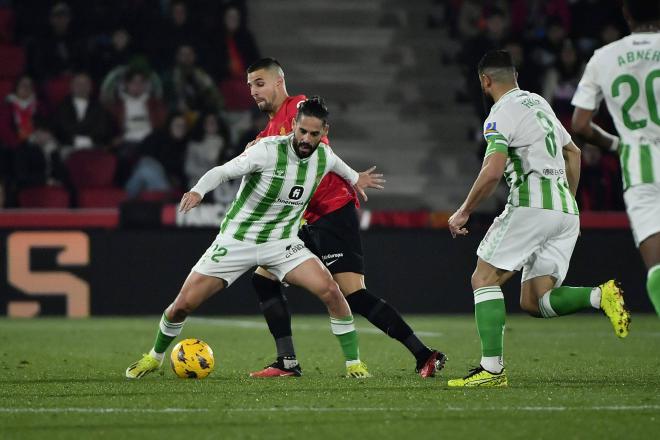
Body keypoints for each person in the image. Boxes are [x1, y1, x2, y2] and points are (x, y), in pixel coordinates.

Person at [125, 97, 384, 379]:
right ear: (294, 126)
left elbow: (344, 171)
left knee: (332, 292)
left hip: (282, 243)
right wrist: (199, 190)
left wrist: (357, 177)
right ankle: (154, 357)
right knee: (182, 306)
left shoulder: (324, 156)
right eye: (302, 131)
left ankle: (354, 365)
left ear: (324, 132)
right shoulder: (266, 151)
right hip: (238, 240)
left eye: (314, 134)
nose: (307, 139)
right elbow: (223, 172)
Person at [245, 58, 445, 379]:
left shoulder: (298, 107)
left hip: (333, 212)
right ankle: (287, 362)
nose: (254, 91)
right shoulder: (267, 132)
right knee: (262, 279)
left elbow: (315, 148)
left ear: (278, 83)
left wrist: (351, 176)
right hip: (304, 220)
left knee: (355, 295)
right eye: (250, 86)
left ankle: (424, 354)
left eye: (260, 83)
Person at [446, 50, 630, 388]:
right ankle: (599, 296)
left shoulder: (499, 115)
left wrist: (464, 209)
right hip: (565, 211)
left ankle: (491, 370)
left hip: (531, 206)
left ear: (485, 81)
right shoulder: (539, 104)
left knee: (482, 279)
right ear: (515, 76)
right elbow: (573, 152)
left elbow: (492, 171)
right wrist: (566, 203)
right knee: (534, 300)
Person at [571, 0, 660, 316]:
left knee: (657, 268)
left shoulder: (605, 57)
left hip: (640, 167)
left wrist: (616, 144)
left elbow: (580, 124)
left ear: (626, 14)